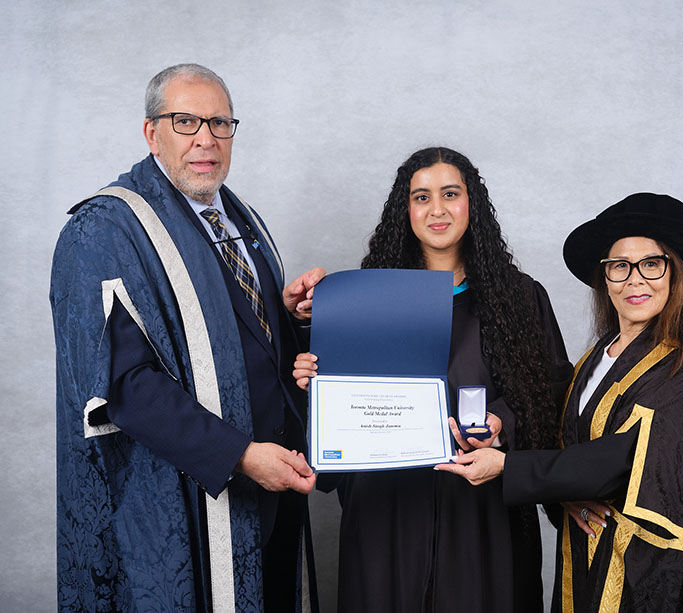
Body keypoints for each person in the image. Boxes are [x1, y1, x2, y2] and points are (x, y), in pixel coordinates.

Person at [50, 64, 325, 611]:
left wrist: (292, 317)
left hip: (275, 491)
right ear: (152, 132)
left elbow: (243, 338)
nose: (206, 139)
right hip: (180, 502)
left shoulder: (240, 219)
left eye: (220, 123)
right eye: (185, 121)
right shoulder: (103, 231)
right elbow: (124, 384)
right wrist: (241, 456)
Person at [293, 147, 573, 612]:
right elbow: (336, 410)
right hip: (388, 511)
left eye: (450, 194)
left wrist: (501, 421)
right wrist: (315, 382)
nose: (437, 209)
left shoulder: (520, 297)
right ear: (405, 210)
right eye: (421, 197)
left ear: (472, 204)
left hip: (483, 510)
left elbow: (553, 389)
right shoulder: (364, 298)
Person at [438, 192, 683, 611]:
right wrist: (509, 445)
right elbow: (564, 442)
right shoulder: (594, 359)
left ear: (677, 275)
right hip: (586, 553)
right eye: (619, 266)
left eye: (651, 264)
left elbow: (625, 459)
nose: (634, 279)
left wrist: (509, 467)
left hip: (646, 566)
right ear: (605, 278)